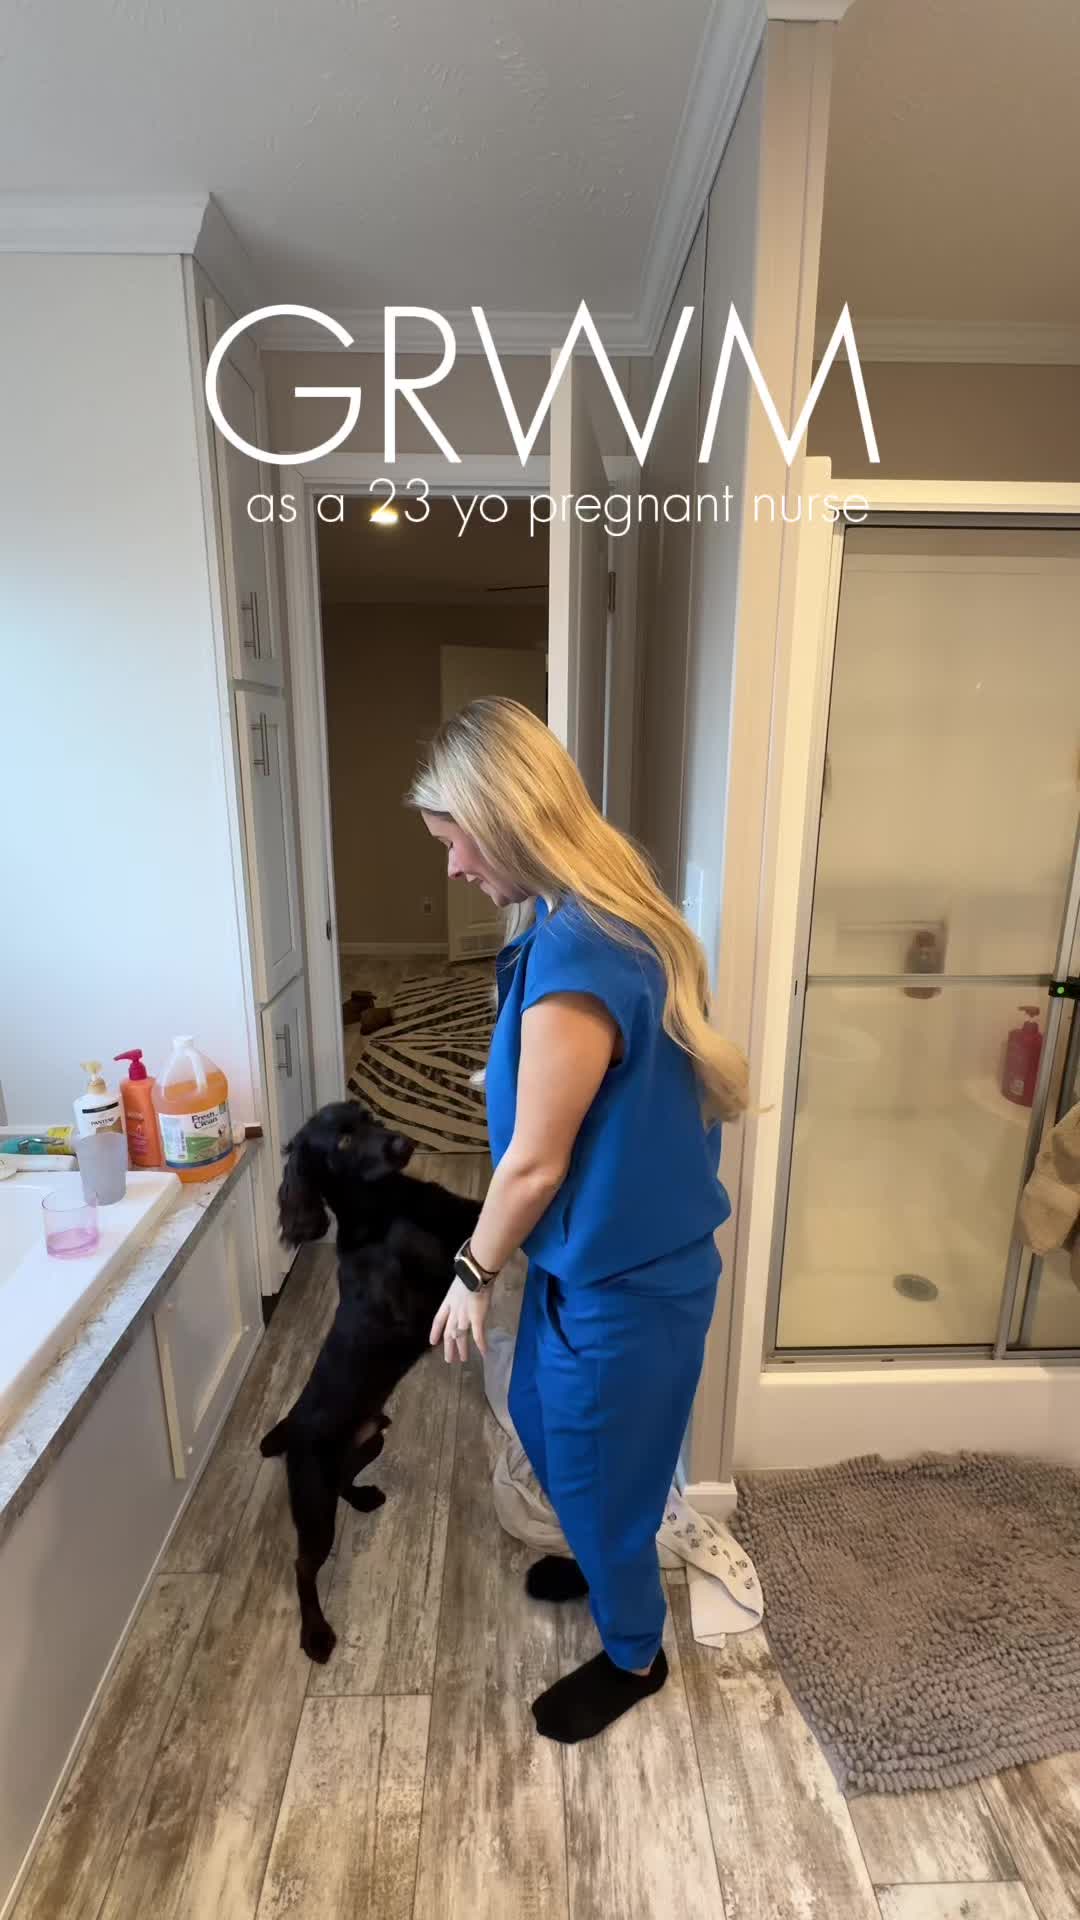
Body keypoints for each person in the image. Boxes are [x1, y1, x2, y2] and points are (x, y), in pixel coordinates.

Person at [409, 697, 747, 1744]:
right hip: (593, 1258)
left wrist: (471, 1272)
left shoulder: (579, 951)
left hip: (626, 1278)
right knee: (549, 1422)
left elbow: (535, 1164)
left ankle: (635, 1650)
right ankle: (608, 1552)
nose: (454, 867)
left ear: (503, 818)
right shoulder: (595, 918)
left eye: (456, 840)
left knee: (599, 1467)